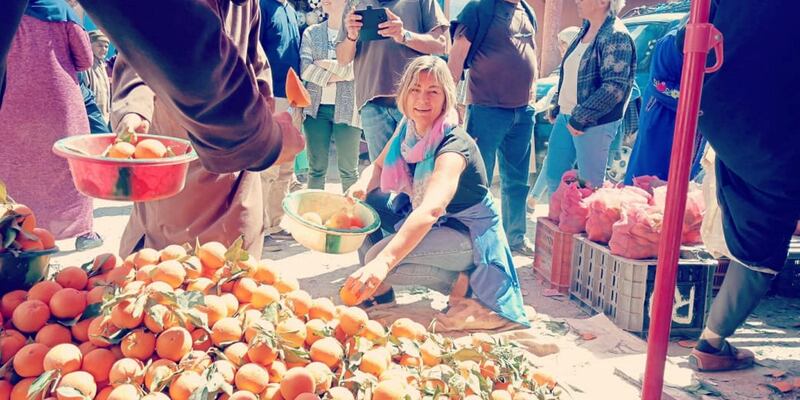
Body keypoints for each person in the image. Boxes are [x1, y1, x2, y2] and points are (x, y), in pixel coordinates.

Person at [343, 56, 529, 328]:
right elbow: (379, 165)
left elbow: (429, 210)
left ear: (446, 99)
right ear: (404, 94)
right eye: (415, 90)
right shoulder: (408, 128)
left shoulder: (454, 147)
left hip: (469, 233)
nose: (422, 99)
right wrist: (360, 186)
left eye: (433, 91)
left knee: (377, 257)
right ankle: (380, 294)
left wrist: (382, 263)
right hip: (436, 220)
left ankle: (463, 283)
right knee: (366, 205)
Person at [110, 0, 292, 257]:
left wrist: (265, 122)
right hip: (175, 155)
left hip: (235, 156)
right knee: (164, 270)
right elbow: (139, 56)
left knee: (234, 277)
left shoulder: (247, 5)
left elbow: (255, 62)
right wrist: (133, 111)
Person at [687, 0, 800, 372]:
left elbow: (686, 38)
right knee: (763, 234)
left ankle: (712, 341)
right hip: (768, 121)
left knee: (754, 216)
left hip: (720, 109)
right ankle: (712, 342)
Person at [0, 0, 103, 250]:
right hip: (58, 101)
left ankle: (25, 236)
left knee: (15, 167)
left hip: (12, 103)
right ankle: (84, 233)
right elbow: (85, 59)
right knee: (68, 164)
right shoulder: (60, 9)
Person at [447, 0, 540, 256]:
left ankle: (515, 238)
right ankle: (476, 239)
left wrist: (532, 96)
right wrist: (448, 102)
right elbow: (457, 54)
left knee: (518, 181)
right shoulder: (479, 8)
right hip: (487, 110)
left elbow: (530, 52)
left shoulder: (527, 10)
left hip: (522, 111)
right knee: (478, 179)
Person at [336, 0, 450, 161]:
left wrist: (403, 35)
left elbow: (440, 45)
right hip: (372, 104)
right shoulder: (354, 3)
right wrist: (351, 36)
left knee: (419, 171)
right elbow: (342, 59)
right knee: (382, 176)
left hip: (416, 103)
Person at [543, 0, 635, 196]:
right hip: (567, 117)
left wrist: (581, 117)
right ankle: (560, 223)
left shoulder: (616, 35)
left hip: (594, 122)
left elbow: (615, 86)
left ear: (603, 2)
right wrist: (558, 105)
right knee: (554, 179)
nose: (577, 1)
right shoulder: (585, 29)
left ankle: (583, 227)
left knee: (589, 188)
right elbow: (569, 73)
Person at [623, 23, 704, 184]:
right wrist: (696, 101)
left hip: (694, 120)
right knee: (651, 168)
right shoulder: (671, 41)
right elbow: (659, 83)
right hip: (663, 116)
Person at [299, 0, 362, 192]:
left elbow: (355, 71)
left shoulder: (357, 34)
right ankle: (314, 217)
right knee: (316, 169)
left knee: (349, 171)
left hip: (349, 109)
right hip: (316, 109)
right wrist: (340, 71)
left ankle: (351, 217)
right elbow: (306, 70)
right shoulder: (311, 32)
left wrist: (324, 64)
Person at [260, 0, 303, 248]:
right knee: (269, 166)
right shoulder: (262, 7)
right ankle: (261, 226)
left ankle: (276, 223)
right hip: (270, 96)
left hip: (293, 98)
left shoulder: (290, 10)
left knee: (287, 166)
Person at [527, 26, 580, 211]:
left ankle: (539, 199)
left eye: (564, 45)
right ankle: (540, 201)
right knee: (553, 164)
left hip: (577, 121)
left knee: (558, 165)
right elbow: (554, 93)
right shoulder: (567, 62)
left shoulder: (577, 61)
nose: (561, 50)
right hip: (563, 120)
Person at [85, 29, 111, 121]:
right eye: (99, 45)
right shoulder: (87, 65)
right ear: (90, 45)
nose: (104, 49)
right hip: (92, 117)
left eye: (106, 46)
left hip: (104, 116)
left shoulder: (102, 65)